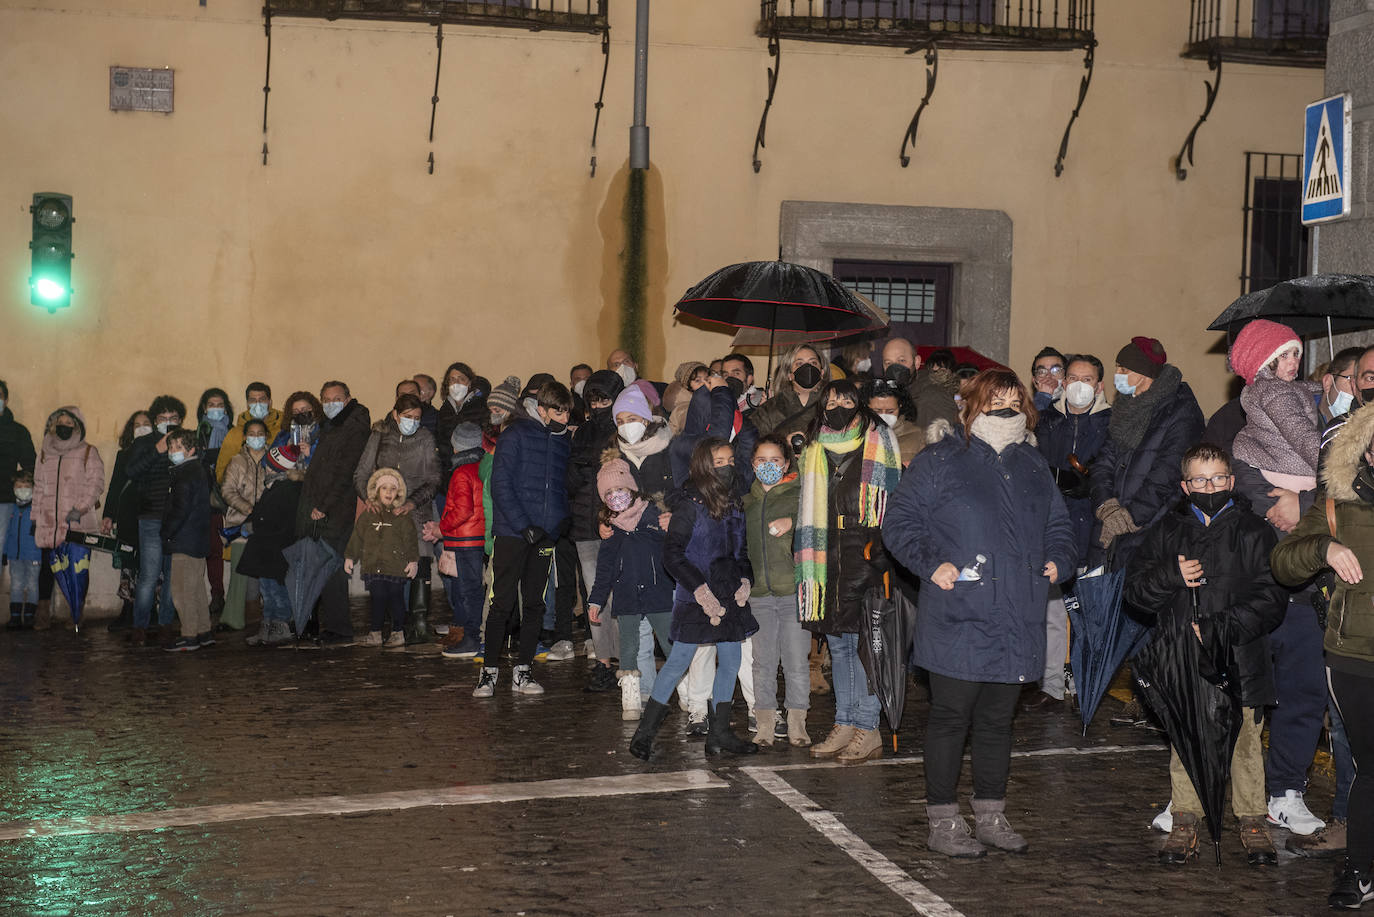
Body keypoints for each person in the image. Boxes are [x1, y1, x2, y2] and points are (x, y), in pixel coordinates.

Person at [884, 369, 1076, 859]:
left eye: (1015, 400)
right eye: (995, 400)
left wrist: (1060, 558)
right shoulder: (941, 459)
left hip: (1018, 613)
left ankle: (990, 815)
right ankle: (943, 820)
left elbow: (1059, 523)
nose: (1006, 408)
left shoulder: (1033, 463)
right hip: (960, 611)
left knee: (997, 721)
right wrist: (933, 564)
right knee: (951, 716)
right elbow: (900, 522)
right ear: (969, 405)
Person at [1126, 443, 1285, 867]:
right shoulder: (1167, 531)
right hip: (1185, 657)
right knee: (1187, 738)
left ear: (1231, 482)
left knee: (1246, 742)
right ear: (1184, 485)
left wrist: (1220, 627)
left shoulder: (1255, 531)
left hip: (1241, 657)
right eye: (1199, 479)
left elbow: (1271, 598)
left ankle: (1252, 819)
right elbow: (1135, 590)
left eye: (1217, 478)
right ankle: (1185, 818)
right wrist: (1170, 576)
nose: (1209, 486)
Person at [1224, 320, 1329, 838]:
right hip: (1258, 587)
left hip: (1309, 591)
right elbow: (1263, 505)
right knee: (1239, 692)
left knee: (1303, 692)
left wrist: (1304, 501)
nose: (1291, 365)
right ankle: (1203, 790)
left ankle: (1286, 791)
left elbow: (1336, 495)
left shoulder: (1321, 411)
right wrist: (1302, 503)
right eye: (1280, 357)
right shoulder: (1247, 438)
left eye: (1296, 355)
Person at [1271, 403, 1374, 908]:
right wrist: (1323, 551)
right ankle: (1359, 869)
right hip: (1355, 655)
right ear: (1365, 447)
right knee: (1370, 765)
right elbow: (1285, 562)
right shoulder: (1338, 504)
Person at [628, 437, 758, 760]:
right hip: (697, 596)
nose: (726, 467)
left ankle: (720, 734)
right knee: (678, 662)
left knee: (730, 661)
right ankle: (643, 735)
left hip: (727, 596)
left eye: (730, 461)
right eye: (719, 462)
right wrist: (699, 589)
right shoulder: (689, 504)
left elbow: (741, 553)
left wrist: (745, 579)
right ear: (703, 465)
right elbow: (672, 555)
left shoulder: (734, 503)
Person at [797, 379, 902, 765]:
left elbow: (894, 504)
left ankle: (867, 726)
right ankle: (844, 722)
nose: (838, 405)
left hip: (866, 552)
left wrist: (881, 554)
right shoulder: (813, 448)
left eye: (846, 399)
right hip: (825, 555)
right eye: (831, 399)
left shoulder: (879, 442)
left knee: (866, 646)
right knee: (838, 645)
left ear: (859, 405)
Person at [473, 381, 573, 698]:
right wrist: (522, 525)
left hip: (544, 535)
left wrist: (556, 525)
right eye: (559, 411)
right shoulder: (515, 434)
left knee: (534, 603)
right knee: (501, 602)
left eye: (568, 411)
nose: (565, 417)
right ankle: (488, 673)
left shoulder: (561, 441)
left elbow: (561, 486)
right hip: (512, 533)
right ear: (541, 409)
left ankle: (523, 671)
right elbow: (501, 485)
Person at [1025, 353, 1111, 713]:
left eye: (1087, 379)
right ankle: (1051, 684)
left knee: (1092, 613)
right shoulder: (1048, 421)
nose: (1078, 384)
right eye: (1072, 376)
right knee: (1052, 611)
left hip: (1094, 527)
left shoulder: (1111, 422)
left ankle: (1087, 681)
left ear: (1099, 385)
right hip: (1055, 527)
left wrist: (1092, 485)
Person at [1090, 337, 1205, 570]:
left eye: (1123, 369)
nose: (1117, 374)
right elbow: (1104, 460)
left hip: (1153, 529)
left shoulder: (1180, 410)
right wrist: (1107, 506)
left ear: (1143, 374)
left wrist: (1131, 516)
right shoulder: (1126, 404)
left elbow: (1168, 473)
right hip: (1112, 523)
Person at [587, 458, 675, 720]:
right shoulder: (612, 531)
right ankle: (637, 696)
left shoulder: (654, 519)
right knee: (632, 649)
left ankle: (686, 691)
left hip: (659, 596)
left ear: (632, 489)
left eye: (620, 490)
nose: (616, 497)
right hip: (627, 599)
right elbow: (605, 570)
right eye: (609, 494)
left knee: (672, 645)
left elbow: (674, 554)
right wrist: (596, 600)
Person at [354, 393, 441, 644]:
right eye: (407, 417)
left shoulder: (425, 438)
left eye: (417, 418)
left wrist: (412, 501)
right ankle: (393, 625)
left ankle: (419, 622)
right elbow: (361, 473)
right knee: (387, 567)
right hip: (383, 511)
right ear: (395, 414)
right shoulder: (380, 435)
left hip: (416, 509)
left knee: (421, 556)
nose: (412, 422)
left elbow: (433, 478)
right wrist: (369, 498)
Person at [743, 433, 810, 746]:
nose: (768, 465)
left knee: (796, 662)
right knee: (762, 664)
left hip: (793, 593)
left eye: (775, 460)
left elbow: (814, 522)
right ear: (753, 464)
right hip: (759, 596)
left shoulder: (799, 496)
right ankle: (766, 724)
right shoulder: (747, 502)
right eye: (761, 460)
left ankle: (797, 723)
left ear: (786, 464)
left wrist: (792, 520)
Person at [297, 381, 372, 646]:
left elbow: (343, 473)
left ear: (348, 398)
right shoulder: (333, 425)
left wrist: (323, 505)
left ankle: (339, 629)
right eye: (326, 399)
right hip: (322, 506)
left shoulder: (353, 427)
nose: (330, 403)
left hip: (335, 509)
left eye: (336, 398)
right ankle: (332, 626)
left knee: (331, 567)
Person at [563, 368, 625, 688]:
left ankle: (626, 662)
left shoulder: (624, 429)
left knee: (621, 594)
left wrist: (610, 517)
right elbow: (572, 479)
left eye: (605, 398)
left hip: (617, 526)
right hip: (585, 527)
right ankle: (603, 661)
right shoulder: (583, 433)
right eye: (593, 398)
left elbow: (625, 482)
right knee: (595, 598)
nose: (599, 404)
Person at [31, 408, 105, 622]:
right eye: (60, 422)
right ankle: (43, 610)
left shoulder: (88, 451)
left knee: (78, 567)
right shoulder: (45, 452)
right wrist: (35, 517)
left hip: (76, 522)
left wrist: (79, 508)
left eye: (69, 423)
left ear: (77, 426)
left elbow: (96, 483)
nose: (64, 426)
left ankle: (77, 610)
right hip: (48, 523)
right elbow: (38, 486)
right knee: (47, 567)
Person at [237, 445, 304, 646]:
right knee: (266, 590)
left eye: (268, 466)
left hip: (275, 549)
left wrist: (255, 525)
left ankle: (281, 625)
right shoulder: (274, 487)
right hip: (266, 548)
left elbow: (273, 518)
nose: (265, 469)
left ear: (276, 468)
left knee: (276, 590)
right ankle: (267, 626)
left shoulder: (287, 490)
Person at [346, 468, 421, 648]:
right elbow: (357, 536)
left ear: (398, 492)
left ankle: (398, 631)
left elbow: (410, 539)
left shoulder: (402, 516)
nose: (388, 492)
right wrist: (350, 556)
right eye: (384, 488)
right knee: (378, 596)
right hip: (373, 565)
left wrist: (413, 560)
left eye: (392, 488)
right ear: (376, 491)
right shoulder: (368, 515)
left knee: (396, 597)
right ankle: (375, 631)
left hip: (395, 566)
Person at [162, 427, 213, 651]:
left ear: (190, 449)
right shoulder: (196, 470)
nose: (173, 451)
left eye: (178, 447)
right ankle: (204, 630)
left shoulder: (185, 473)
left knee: (182, 591)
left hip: (185, 540)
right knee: (197, 588)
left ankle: (189, 635)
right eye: (171, 446)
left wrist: (166, 533)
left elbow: (179, 510)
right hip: (197, 539)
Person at [438, 422, 486, 658]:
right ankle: (476, 636)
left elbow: (463, 510)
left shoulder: (461, 472)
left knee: (468, 591)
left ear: (456, 447)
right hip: (479, 536)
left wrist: (443, 525)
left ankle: (471, 639)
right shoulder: (483, 466)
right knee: (476, 589)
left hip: (464, 538)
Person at [101, 410, 153, 631]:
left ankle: (152, 610)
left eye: (146, 423)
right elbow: (115, 487)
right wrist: (108, 515)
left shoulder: (159, 452)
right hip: (127, 517)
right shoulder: (124, 455)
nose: (141, 427)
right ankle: (128, 610)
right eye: (137, 424)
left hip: (151, 516)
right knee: (128, 564)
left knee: (150, 566)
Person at [220, 418, 269, 633]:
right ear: (245, 437)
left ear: (266, 437)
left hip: (268, 526)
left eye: (260, 433)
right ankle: (232, 619)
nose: (256, 437)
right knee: (239, 574)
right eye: (252, 433)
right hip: (240, 524)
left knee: (267, 574)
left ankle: (268, 617)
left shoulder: (274, 460)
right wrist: (249, 509)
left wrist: (266, 512)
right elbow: (227, 491)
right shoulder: (237, 461)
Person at [195, 387, 234, 621]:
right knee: (209, 550)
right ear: (204, 408)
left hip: (228, 496)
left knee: (225, 549)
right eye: (212, 404)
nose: (216, 409)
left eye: (220, 405)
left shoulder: (233, 433)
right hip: (203, 497)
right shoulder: (197, 432)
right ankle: (211, 595)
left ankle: (226, 595)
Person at [752, 344, 828, 439]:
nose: (808, 367)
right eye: (799, 364)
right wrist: (784, 446)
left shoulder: (833, 404)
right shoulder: (769, 409)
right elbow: (755, 446)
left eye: (813, 363)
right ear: (789, 375)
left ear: (822, 373)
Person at [881, 338, 959, 429]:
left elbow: (939, 440)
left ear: (917, 362)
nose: (894, 369)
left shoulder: (932, 397)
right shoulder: (896, 396)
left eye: (902, 361)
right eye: (888, 363)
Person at [0, 380, 37, 575]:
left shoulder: (18, 431)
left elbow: (31, 465)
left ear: (6, 399)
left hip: (4, 501)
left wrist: (22, 489)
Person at [215, 383, 281, 482]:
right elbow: (222, 471)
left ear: (270, 402)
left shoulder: (282, 430)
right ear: (247, 404)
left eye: (262, 400)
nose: (257, 404)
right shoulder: (235, 434)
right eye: (253, 401)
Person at [4, 471, 40, 629]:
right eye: (19, 486)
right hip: (15, 555)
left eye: (27, 486)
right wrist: (5, 552)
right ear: (13, 488)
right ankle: (15, 617)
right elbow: (6, 533)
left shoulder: (36, 510)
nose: (23, 489)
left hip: (33, 554)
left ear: (33, 488)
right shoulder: (11, 509)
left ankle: (30, 616)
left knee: (32, 585)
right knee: (16, 585)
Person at [866, 379, 924, 466]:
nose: (884, 416)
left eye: (890, 411)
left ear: (900, 407)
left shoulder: (916, 435)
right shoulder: (859, 433)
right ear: (867, 408)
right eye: (877, 411)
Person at [273, 391, 324, 469]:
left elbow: (329, 460)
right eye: (295, 411)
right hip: (288, 476)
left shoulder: (324, 430)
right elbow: (269, 460)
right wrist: (285, 454)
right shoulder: (285, 434)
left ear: (313, 409)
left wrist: (310, 453)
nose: (300, 413)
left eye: (304, 410)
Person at [666, 361, 708, 434]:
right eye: (698, 380)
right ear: (687, 386)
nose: (704, 383)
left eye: (706, 379)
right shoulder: (683, 408)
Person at [1030, 346, 1066, 413]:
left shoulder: (1074, 408)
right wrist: (1043, 398)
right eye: (1042, 372)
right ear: (1034, 381)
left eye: (1056, 370)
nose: (1049, 376)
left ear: (1066, 377)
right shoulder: (1025, 412)